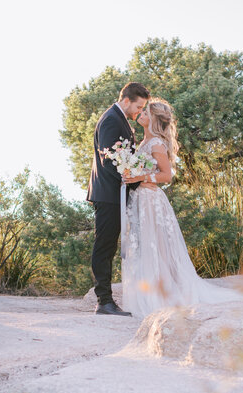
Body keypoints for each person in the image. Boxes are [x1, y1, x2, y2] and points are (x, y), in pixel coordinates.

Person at [122, 98, 243, 318]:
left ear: (153, 119)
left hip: (152, 201)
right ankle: (149, 288)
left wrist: (141, 176)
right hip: (140, 200)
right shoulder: (143, 143)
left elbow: (166, 175)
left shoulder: (157, 144)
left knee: (156, 245)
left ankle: (162, 291)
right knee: (144, 244)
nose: (141, 113)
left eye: (146, 112)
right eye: (141, 111)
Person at [86, 82, 151, 316]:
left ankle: (106, 300)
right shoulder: (112, 119)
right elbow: (109, 158)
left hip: (116, 193)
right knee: (104, 246)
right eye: (138, 106)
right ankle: (103, 301)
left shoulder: (119, 118)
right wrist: (133, 178)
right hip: (108, 194)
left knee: (110, 245)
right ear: (126, 101)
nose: (139, 112)